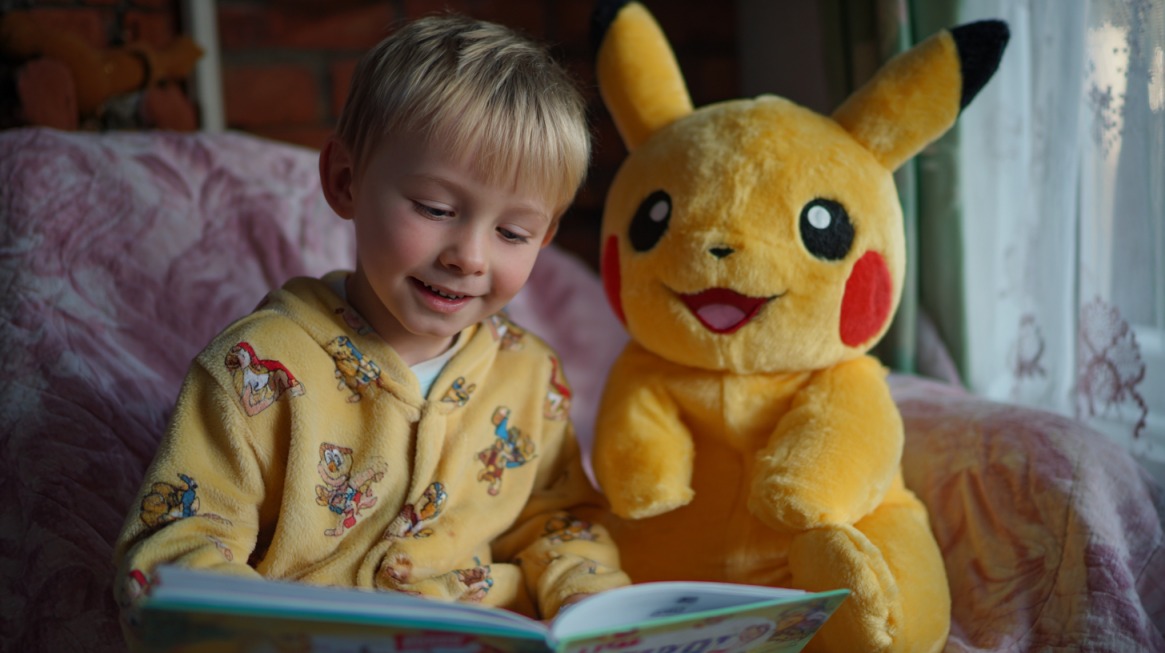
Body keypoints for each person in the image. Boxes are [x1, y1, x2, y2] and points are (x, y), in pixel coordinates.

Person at [112, 12, 630, 627]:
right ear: (345, 180)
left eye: (512, 232)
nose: (469, 256)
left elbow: (560, 521)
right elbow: (177, 547)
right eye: (435, 208)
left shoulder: (532, 376)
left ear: (546, 236)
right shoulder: (259, 366)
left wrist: (589, 605)